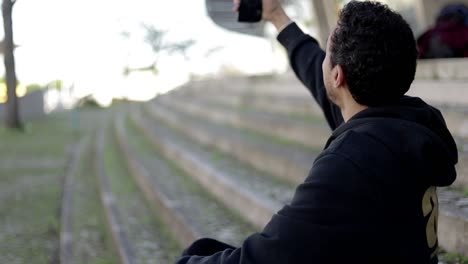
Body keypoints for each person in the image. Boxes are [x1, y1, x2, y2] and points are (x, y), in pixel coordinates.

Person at [176, 0, 458, 263]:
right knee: (208, 248)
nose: (321, 59)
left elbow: (269, 256)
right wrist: (277, 16)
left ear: (337, 76)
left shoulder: (352, 162)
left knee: (201, 252)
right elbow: (314, 67)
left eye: (328, 53)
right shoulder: (404, 125)